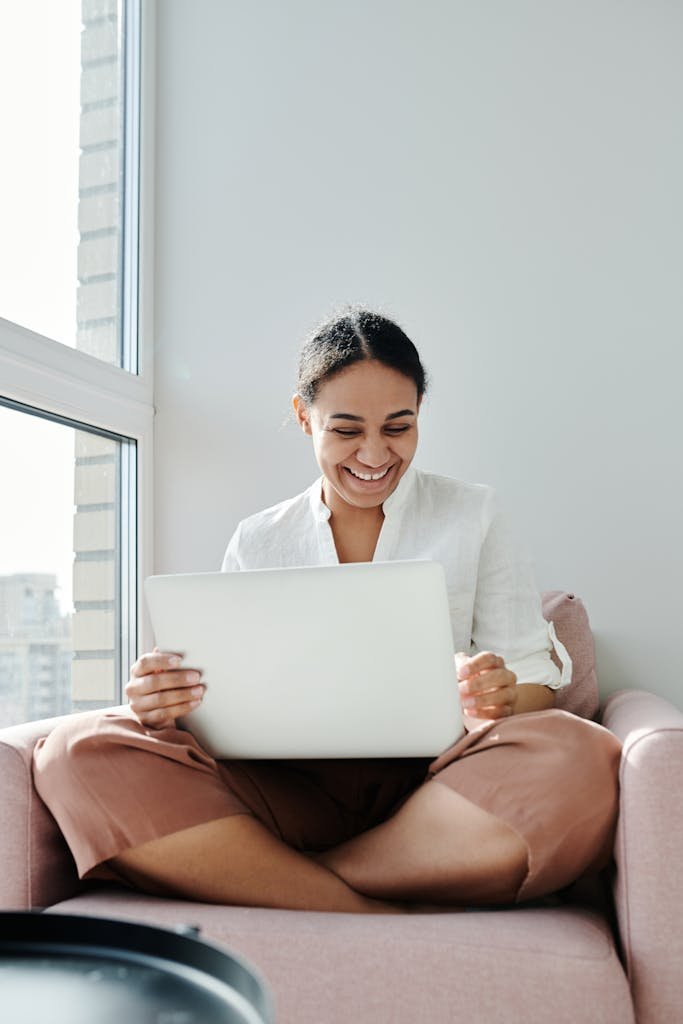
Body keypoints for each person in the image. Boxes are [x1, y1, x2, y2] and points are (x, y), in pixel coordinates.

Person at [33, 308, 621, 914]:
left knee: (584, 756)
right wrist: (163, 704)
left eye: (399, 427)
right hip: (285, 792)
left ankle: (285, 880)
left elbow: (536, 692)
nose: (374, 454)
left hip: (438, 795)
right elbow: (221, 712)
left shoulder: (474, 515)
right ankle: (367, 905)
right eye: (345, 430)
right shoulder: (258, 539)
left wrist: (498, 696)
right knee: (75, 751)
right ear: (303, 416)